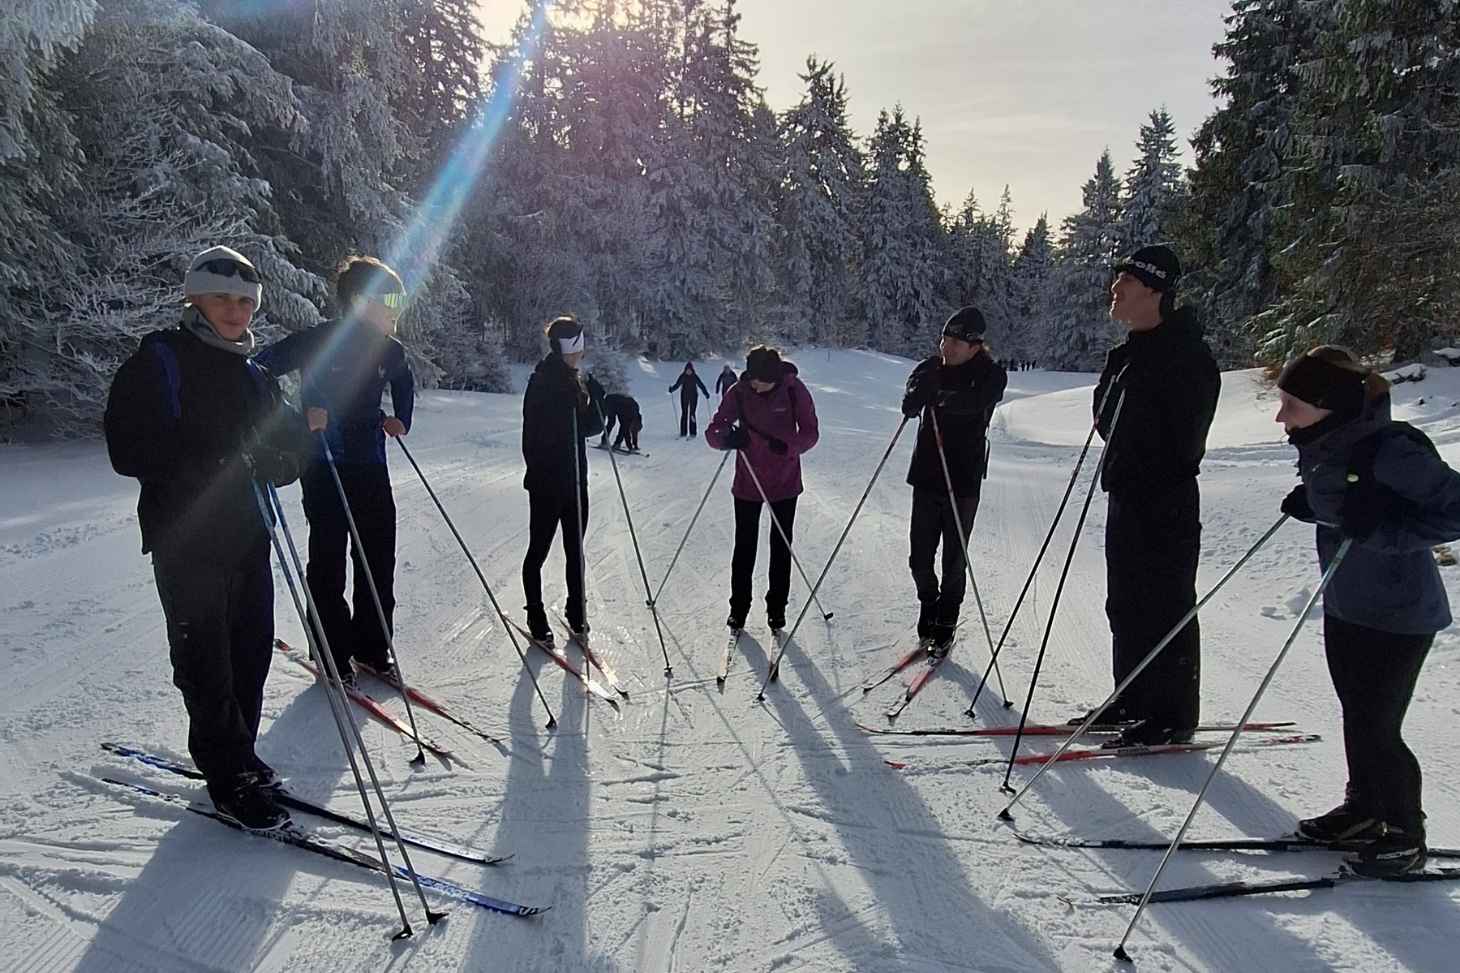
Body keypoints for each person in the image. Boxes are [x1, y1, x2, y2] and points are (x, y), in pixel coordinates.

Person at [104, 245, 308, 831]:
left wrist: (281, 461)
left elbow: (290, 442)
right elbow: (128, 449)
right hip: (185, 534)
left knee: (251, 650)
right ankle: (227, 773)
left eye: (245, 302)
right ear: (195, 297)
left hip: (248, 532)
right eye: (222, 298)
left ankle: (241, 753)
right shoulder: (160, 360)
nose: (235, 311)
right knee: (205, 657)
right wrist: (217, 459)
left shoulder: (255, 375)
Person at [1276, 346, 1460, 877]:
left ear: (1328, 405)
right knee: (1357, 715)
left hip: (1399, 613)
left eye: (1292, 405)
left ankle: (1404, 835)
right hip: (1349, 602)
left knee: (1378, 725)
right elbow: (1350, 502)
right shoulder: (1326, 439)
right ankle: (1365, 810)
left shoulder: (1390, 451)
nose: (1281, 417)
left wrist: (1386, 531)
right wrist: (1316, 505)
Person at [253, 256, 415, 687]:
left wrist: (401, 418)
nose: (397, 309)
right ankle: (332, 652)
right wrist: (298, 414)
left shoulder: (390, 349)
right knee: (328, 559)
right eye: (391, 300)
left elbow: (403, 382)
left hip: (371, 464)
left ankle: (372, 647)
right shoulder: (319, 340)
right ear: (361, 301)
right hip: (324, 463)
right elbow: (258, 370)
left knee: (377, 557)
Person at [1092, 244, 1220, 747]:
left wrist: (1136, 436)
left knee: (1165, 604)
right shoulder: (1128, 353)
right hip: (1125, 491)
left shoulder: (1187, 354)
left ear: (1154, 290)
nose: (1115, 289)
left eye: (1126, 282)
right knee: (1124, 603)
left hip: (1166, 499)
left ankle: (1172, 714)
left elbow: (1184, 441)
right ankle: (1133, 697)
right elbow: (1106, 422)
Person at [901, 306, 1007, 657]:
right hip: (926, 474)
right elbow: (909, 403)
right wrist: (919, 392)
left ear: (975, 346)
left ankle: (946, 620)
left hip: (963, 479)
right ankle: (928, 604)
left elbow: (975, 403)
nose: (947, 347)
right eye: (944, 339)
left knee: (954, 558)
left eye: (956, 343)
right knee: (919, 558)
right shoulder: (930, 368)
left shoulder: (991, 374)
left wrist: (941, 397)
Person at [705, 346, 819, 631]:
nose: (754, 385)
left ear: (773, 377)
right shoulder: (740, 391)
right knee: (744, 546)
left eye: (759, 380)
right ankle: (739, 608)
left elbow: (810, 433)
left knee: (781, 546)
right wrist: (727, 438)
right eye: (751, 378)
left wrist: (789, 447)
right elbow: (714, 429)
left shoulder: (793, 390)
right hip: (748, 480)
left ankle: (777, 608)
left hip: (785, 481)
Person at [522, 316, 603, 641]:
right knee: (538, 550)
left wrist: (596, 401)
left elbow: (588, 429)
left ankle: (576, 610)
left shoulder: (575, 381)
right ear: (565, 348)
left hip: (575, 482)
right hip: (547, 484)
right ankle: (535, 613)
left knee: (575, 548)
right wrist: (567, 406)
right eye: (577, 347)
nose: (581, 353)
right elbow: (535, 434)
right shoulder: (542, 382)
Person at [669, 361, 710, 437]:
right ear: (685, 370)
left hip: (693, 397)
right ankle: (683, 432)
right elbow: (677, 384)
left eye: (690, 370)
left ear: (692, 370)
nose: (688, 371)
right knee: (684, 413)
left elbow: (701, 385)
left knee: (692, 413)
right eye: (687, 370)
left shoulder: (695, 377)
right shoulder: (683, 376)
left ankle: (693, 432)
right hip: (684, 397)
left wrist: (706, 393)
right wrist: (672, 389)